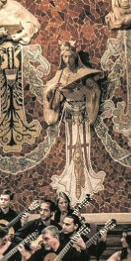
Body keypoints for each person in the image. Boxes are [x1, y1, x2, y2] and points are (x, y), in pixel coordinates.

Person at [43, 41, 105, 203]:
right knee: (71, 146)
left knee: (83, 145)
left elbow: (95, 90)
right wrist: (51, 90)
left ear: (75, 56)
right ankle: (70, 178)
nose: (68, 60)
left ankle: (85, 180)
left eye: (70, 56)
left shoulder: (82, 72)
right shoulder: (61, 74)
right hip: (70, 115)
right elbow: (51, 97)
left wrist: (84, 90)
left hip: (83, 114)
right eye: (64, 57)